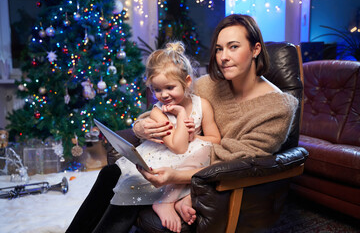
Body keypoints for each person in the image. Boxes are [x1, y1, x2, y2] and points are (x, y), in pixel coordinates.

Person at [67, 14, 298, 233]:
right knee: (111, 173)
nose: (223, 57)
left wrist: (176, 173)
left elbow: (241, 162)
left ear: (256, 49)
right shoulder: (210, 83)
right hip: (183, 158)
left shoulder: (278, 107)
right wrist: (142, 127)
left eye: (233, 47)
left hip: (212, 178)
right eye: (219, 49)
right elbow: (165, 107)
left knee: (130, 186)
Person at [110, 41, 220, 233]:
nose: (164, 95)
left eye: (170, 87)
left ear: (186, 82)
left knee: (204, 154)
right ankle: (163, 202)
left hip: (191, 160)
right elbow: (178, 148)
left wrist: (195, 137)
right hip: (168, 157)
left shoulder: (203, 104)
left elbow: (215, 139)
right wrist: (180, 115)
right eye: (157, 90)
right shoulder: (158, 113)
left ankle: (182, 202)